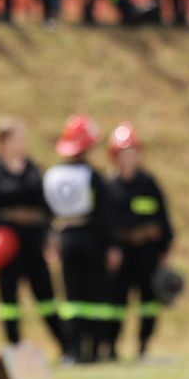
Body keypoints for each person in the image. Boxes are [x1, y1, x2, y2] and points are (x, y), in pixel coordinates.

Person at [0, 119, 68, 351]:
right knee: (9, 300)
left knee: (46, 295)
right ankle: (14, 345)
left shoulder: (34, 171)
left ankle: (66, 346)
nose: (20, 144)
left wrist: (49, 236)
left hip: (33, 244)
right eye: (16, 139)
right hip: (7, 248)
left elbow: (47, 208)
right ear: (2, 142)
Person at [45, 114, 121, 363]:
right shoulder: (92, 176)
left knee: (71, 296)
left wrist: (51, 239)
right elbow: (105, 212)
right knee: (95, 294)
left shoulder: (52, 175)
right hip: (92, 239)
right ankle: (95, 347)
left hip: (65, 238)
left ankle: (72, 350)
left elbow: (47, 212)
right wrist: (111, 244)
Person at [107, 123, 175, 359]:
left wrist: (165, 249)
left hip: (147, 253)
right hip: (122, 255)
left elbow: (163, 219)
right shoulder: (110, 188)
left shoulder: (149, 184)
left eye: (133, 153)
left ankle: (143, 346)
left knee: (149, 302)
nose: (129, 158)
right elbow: (105, 224)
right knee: (117, 303)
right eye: (124, 154)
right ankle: (112, 347)